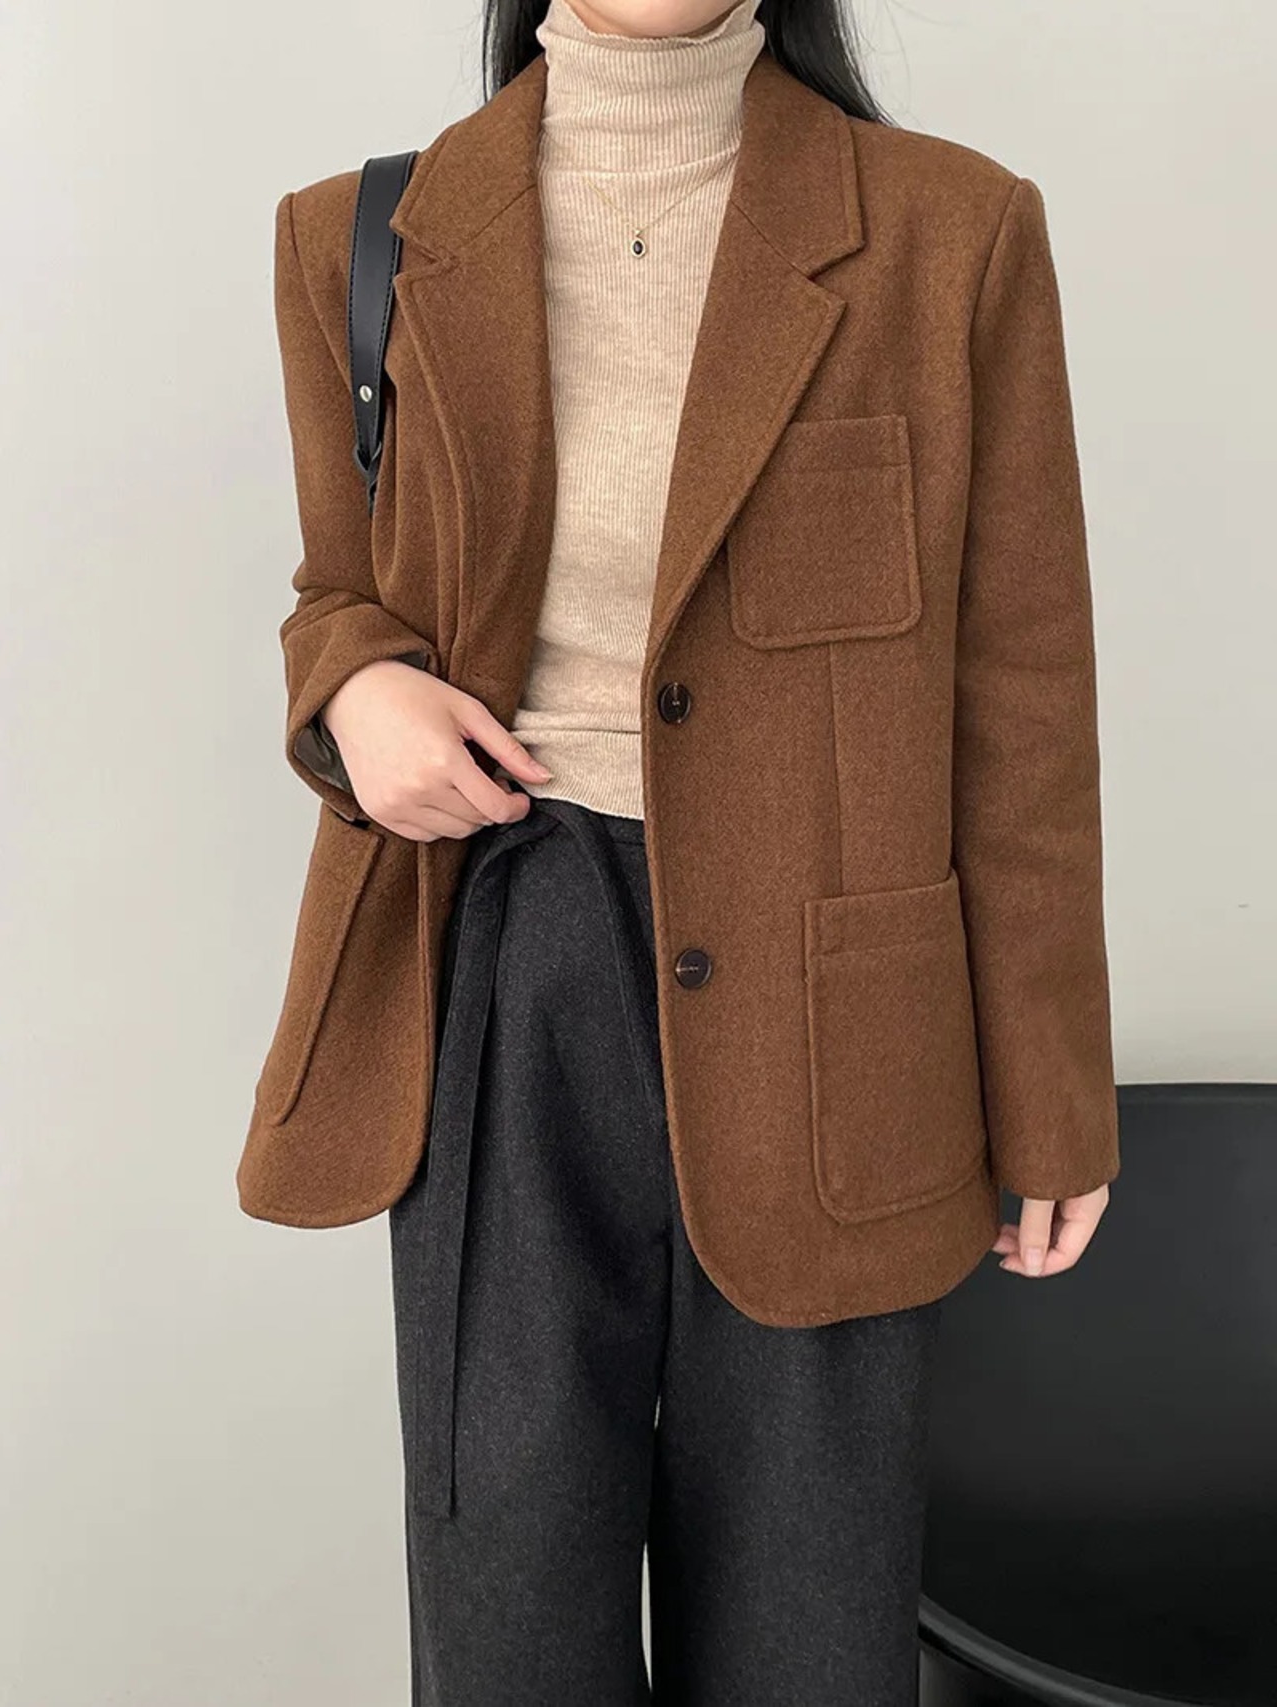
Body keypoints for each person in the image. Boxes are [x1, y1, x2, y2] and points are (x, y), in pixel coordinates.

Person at [238, 0, 1121, 1700]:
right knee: (511, 1615)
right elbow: (337, 592)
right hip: (503, 960)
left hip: (840, 1013)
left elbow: (1022, 699)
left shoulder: (953, 232)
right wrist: (353, 692)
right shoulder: (355, 239)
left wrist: (1051, 1085)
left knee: (813, 1624)